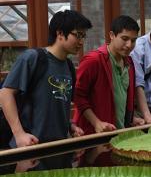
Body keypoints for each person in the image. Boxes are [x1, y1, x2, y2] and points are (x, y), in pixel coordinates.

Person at [0, 9, 92, 148]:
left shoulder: (68, 66)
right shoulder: (33, 58)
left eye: (83, 36)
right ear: (60, 33)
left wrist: (70, 126)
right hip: (30, 146)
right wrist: (19, 134)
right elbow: (5, 93)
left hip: (58, 148)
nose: (81, 42)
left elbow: (58, 104)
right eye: (78, 35)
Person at [73, 15, 143, 134]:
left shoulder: (129, 62)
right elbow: (77, 96)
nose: (129, 45)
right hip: (92, 135)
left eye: (133, 40)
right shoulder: (93, 60)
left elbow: (121, 98)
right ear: (111, 35)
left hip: (119, 133)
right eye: (124, 38)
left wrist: (130, 119)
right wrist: (96, 123)